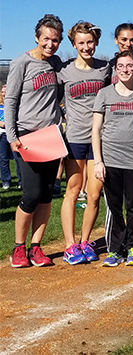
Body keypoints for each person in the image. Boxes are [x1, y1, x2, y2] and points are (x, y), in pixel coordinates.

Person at [6, 14, 64, 268]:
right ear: (36, 38)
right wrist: (12, 136)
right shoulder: (21, 62)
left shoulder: (57, 63)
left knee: (46, 195)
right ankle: (19, 247)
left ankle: (37, 246)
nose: (50, 44)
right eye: (46, 39)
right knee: (30, 194)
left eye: (55, 40)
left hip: (51, 136)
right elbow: (11, 101)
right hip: (27, 136)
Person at [57, 21, 110, 265]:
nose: (86, 47)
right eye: (81, 43)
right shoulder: (64, 71)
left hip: (99, 139)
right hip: (75, 137)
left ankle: (86, 240)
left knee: (94, 193)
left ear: (96, 42)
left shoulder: (105, 68)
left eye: (90, 42)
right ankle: (70, 244)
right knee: (73, 189)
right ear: (74, 44)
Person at [93, 51, 133, 266]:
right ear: (115, 69)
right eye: (121, 66)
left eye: (129, 66)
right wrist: (98, 161)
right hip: (110, 158)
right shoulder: (105, 94)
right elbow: (95, 129)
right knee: (114, 207)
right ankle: (115, 249)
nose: (125, 70)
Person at [0, 83, 22, 190]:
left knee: (18, 159)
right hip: (2, 135)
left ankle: (21, 181)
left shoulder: (15, 104)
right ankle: (6, 181)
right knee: (3, 158)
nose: (4, 93)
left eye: (6, 91)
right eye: (2, 91)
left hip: (13, 133)